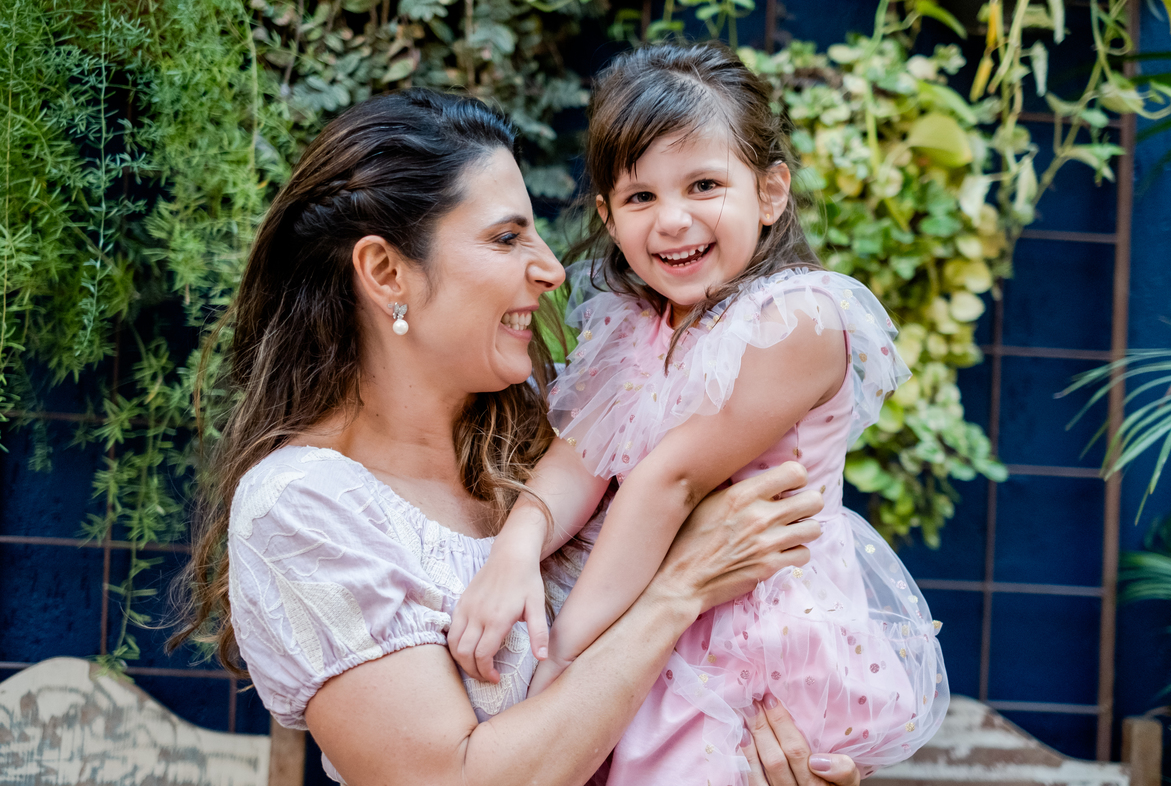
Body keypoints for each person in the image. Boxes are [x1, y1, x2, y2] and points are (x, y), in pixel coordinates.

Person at [171, 87, 871, 786]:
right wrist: (679, 590)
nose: (553, 269)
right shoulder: (306, 507)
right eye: (507, 238)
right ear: (387, 272)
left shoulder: (545, 430)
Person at [447, 43, 949, 786]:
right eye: (640, 197)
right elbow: (581, 458)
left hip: (748, 636)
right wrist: (515, 549)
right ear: (607, 215)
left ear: (770, 192)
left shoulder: (796, 320)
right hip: (645, 610)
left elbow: (668, 482)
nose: (673, 220)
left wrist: (558, 663)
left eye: (704, 185)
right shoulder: (635, 324)